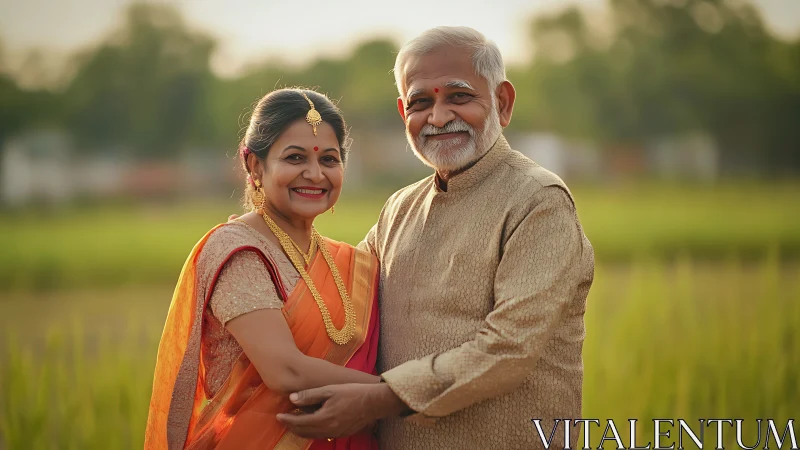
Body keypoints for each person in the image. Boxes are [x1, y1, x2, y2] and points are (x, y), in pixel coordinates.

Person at [276, 27, 595, 450]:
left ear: (502, 102)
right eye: (420, 102)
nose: (439, 117)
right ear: (402, 112)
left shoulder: (537, 202)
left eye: (459, 97)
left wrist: (376, 400)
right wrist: (262, 238)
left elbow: (509, 349)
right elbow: (336, 287)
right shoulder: (400, 208)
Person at [145, 89, 381, 450]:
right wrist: (402, 393)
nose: (315, 174)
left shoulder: (347, 261)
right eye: (295, 157)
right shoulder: (237, 251)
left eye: (329, 160)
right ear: (255, 165)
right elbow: (285, 371)